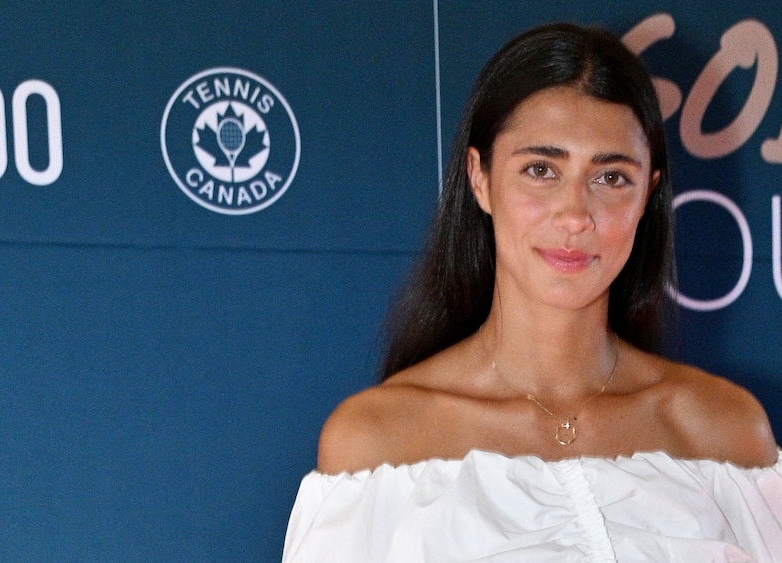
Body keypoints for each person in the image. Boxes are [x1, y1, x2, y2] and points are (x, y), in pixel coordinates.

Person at [282, 22, 782, 562]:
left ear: (649, 193)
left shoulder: (725, 434)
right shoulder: (376, 444)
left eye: (611, 177)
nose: (574, 216)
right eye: (541, 169)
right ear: (480, 178)